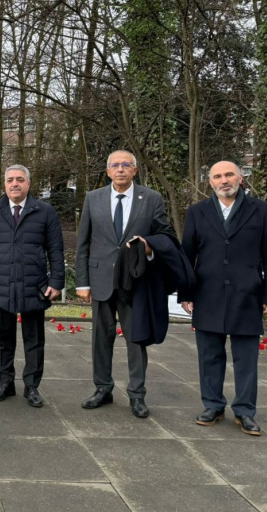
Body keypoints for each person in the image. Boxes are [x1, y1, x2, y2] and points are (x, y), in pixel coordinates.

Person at [180, 161, 267, 436]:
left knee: (246, 358)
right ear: (210, 182)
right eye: (217, 176)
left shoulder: (261, 211)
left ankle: (245, 411)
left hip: (247, 294)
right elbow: (187, 257)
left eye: (228, 174)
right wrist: (186, 293)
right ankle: (213, 405)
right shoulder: (197, 212)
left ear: (240, 177)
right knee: (209, 355)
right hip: (207, 294)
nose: (224, 180)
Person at [75, 150, 174, 418]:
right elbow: (83, 243)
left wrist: (148, 247)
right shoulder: (93, 198)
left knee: (136, 339)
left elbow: (165, 235)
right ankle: (103, 389)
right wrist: (82, 282)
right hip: (101, 281)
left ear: (135, 170)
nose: (120, 169)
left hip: (136, 281)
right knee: (100, 339)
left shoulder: (151, 199)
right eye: (114, 165)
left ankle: (137, 394)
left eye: (126, 165)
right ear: (107, 171)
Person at [0, 165, 65, 405]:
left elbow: (56, 249)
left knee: (34, 340)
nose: (14, 184)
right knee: (3, 339)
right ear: (4, 184)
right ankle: (5, 383)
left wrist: (57, 281)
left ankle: (32, 387)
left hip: (34, 285)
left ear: (29, 183)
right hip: (0, 284)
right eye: (10, 180)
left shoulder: (45, 212)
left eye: (20, 180)